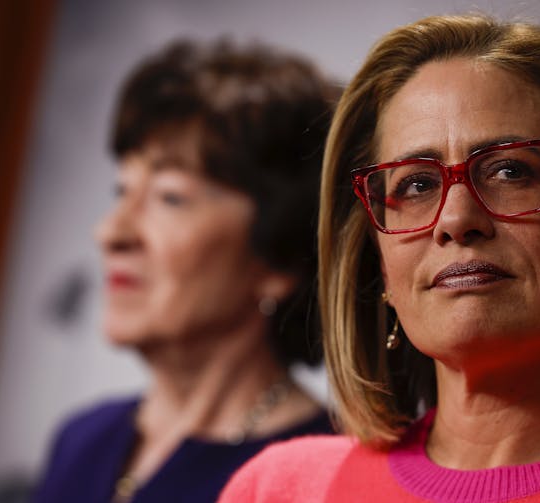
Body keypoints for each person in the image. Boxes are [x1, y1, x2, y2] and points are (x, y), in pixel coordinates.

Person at [219, 14, 540, 502]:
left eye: (509, 171)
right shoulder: (278, 490)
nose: (455, 220)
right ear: (381, 256)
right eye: (416, 184)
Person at [33, 39, 336, 503]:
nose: (110, 232)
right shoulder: (80, 440)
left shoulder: (321, 479)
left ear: (279, 256)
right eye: (122, 191)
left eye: (169, 197)